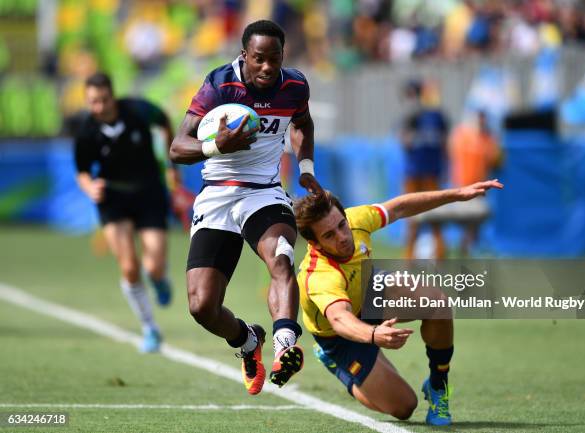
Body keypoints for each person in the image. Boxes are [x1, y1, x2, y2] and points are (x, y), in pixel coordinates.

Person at [170, 20, 323, 395]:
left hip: (264, 193)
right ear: (244, 56)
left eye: (275, 58)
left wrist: (305, 169)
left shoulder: (295, 85)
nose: (268, 67)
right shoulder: (220, 84)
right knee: (202, 306)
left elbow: (302, 123)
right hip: (218, 195)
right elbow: (177, 147)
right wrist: (216, 146)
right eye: (259, 59)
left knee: (282, 257)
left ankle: (285, 344)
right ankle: (247, 340)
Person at [294, 179, 503, 425]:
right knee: (404, 406)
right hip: (339, 337)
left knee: (438, 304)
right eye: (329, 235)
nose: (342, 237)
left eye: (342, 225)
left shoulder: (357, 220)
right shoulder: (318, 275)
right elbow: (340, 319)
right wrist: (373, 334)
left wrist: (456, 194)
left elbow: (400, 207)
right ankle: (338, 366)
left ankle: (438, 385)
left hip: (369, 291)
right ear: (315, 243)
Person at [73, 72, 178, 353]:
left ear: (113, 95)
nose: (99, 107)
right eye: (93, 102)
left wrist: (169, 161)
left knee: (153, 265)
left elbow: (165, 120)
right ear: (87, 101)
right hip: (113, 198)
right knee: (129, 267)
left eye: (104, 100)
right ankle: (150, 329)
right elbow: (82, 172)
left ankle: (159, 280)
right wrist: (89, 188)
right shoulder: (86, 132)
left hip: (148, 192)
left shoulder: (137, 110)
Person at [400, 79, 449, 259]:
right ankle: (409, 258)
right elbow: (404, 142)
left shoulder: (436, 116)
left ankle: (439, 255)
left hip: (429, 173)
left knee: (435, 217)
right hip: (415, 173)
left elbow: (444, 144)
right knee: (412, 218)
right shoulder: (412, 117)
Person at [449, 110, 502, 255]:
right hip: (462, 186)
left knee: (475, 220)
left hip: (480, 187)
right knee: (467, 219)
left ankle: (470, 246)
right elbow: (452, 150)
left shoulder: (487, 138)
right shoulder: (462, 135)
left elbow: (497, 161)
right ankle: (467, 246)